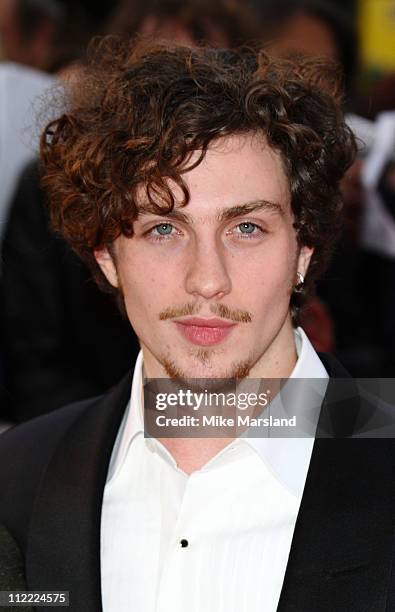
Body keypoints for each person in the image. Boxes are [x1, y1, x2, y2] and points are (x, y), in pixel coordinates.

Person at [0, 37, 394, 612]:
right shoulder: (17, 482)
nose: (207, 280)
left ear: (303, 248)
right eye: (164, 229)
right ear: (108, 253)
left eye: (247, 228)